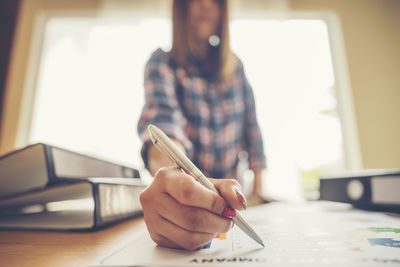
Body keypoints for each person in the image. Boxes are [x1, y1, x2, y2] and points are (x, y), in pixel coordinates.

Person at [137, 0, 268, 250]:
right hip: (188, 203)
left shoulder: (236, 67)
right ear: (181, 8)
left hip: (237, 200)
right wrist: (174, 183)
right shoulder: (161, 63)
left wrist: (260, 188)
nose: (206, 4)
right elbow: (165, 127)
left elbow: (252, 129)